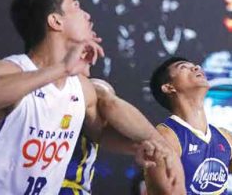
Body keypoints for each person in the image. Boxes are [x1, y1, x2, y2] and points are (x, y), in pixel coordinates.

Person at [0, 0, 179, 194]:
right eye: (76, 6)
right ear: (55, 21)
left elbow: (99, 133)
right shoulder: (11, 69)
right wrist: (63, 68)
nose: (87, 15)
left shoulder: (80, 88)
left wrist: (140, 147)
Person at [145, 56, 232, 195]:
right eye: (184, 67)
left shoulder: (225, 138)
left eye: (195, 66)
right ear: (169, 87)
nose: (196, 68)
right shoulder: (165, 136)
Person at [61, 62, 183, 195]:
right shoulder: (90, 90)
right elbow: (108, 106)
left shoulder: (91, 92)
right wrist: (160, 143)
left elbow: (100, 133)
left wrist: (139, 147)